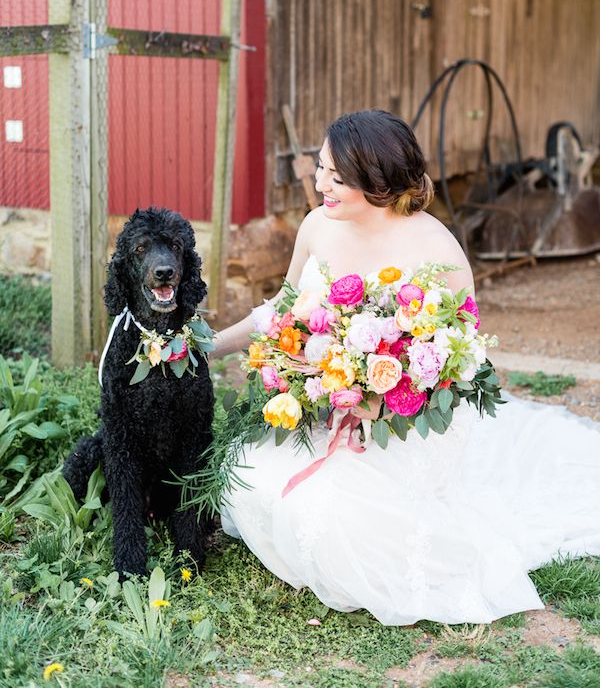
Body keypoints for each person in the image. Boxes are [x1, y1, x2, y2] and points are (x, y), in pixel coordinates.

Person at [212, 109, 600, 626]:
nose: (320, 183)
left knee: (337, 517)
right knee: (251, 475)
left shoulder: (434, 247)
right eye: (321, 168)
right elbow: (282, 310)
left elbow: (459, 358)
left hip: (407, 419)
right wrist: (209, 346)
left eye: (337, 177)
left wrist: (382, 395)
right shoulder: (315, 225)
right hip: (336, 406)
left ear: (377, 184)